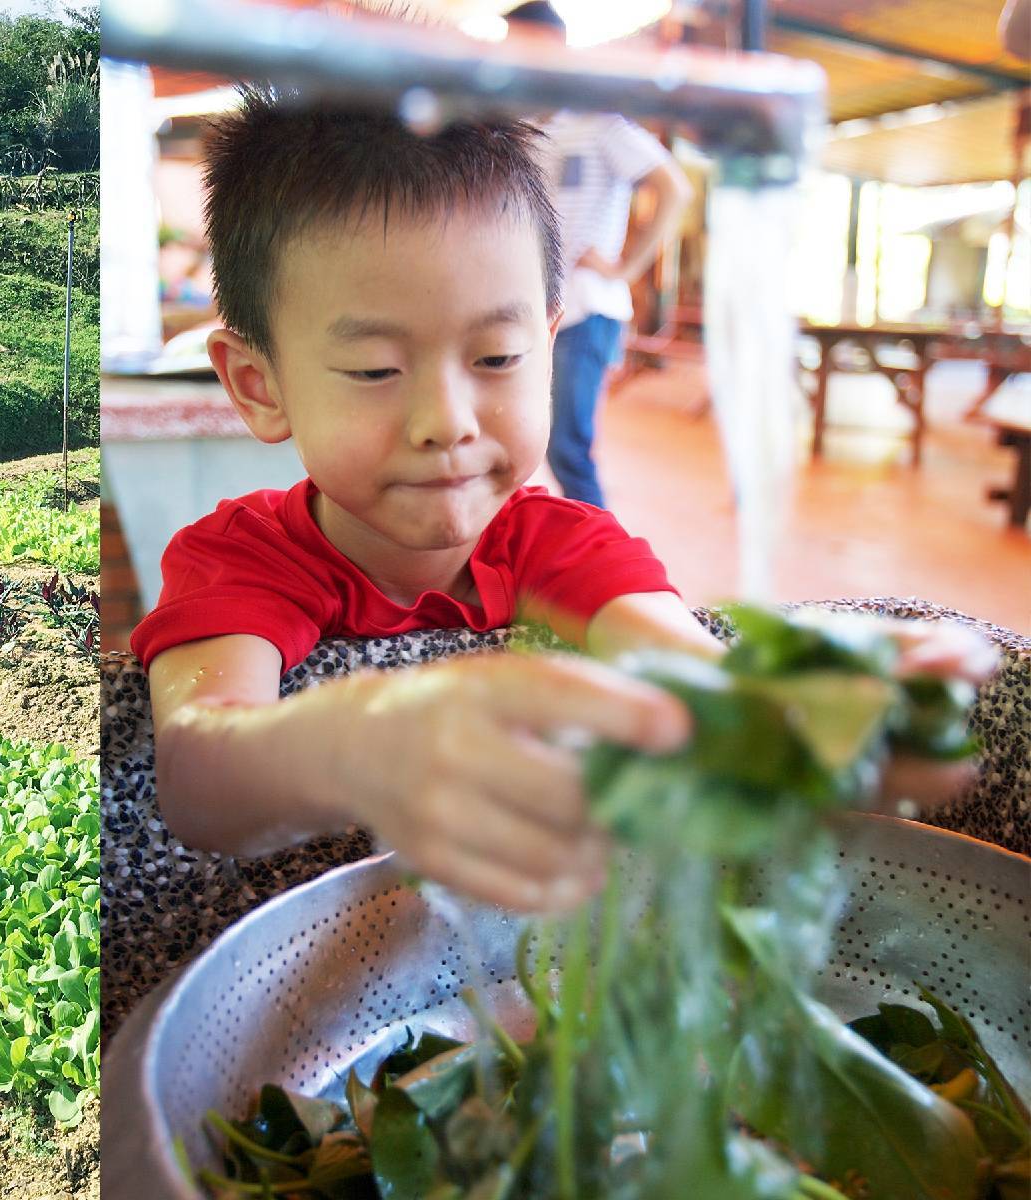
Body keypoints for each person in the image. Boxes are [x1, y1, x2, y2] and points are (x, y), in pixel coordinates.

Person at [129, 91, 996, 914]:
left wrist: (796, 714)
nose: (448, 423)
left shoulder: (557, 543)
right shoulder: (241, 560)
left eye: (498, 357)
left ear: (549, 343)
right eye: (374, 371)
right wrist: (357, 745)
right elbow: (202, 780)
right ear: (258, 383)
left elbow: (689, 672)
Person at [504, 1, 694, 510]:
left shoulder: (599, 123)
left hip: (586, 308)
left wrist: (626, 269)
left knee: (568, 447)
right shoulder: (518, 128)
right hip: (529, 307)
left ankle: (605, 569)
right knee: (515, 443)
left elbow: (673, 188)